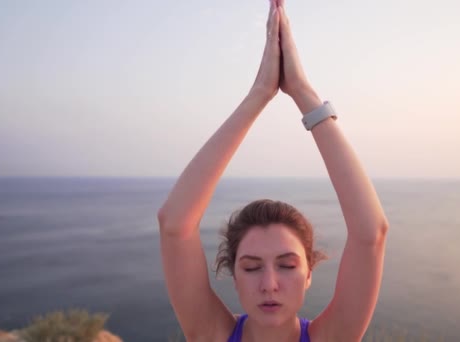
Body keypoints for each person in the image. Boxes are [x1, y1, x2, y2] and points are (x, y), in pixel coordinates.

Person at [157, 0, 389, 341]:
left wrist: (303, 91)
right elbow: (174, 225)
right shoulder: (212, 335)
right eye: (251, 267)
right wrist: (259, 94)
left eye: (287, 265)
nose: (269, 285)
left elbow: (372, 234)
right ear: (233, 275)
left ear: (309, 273)